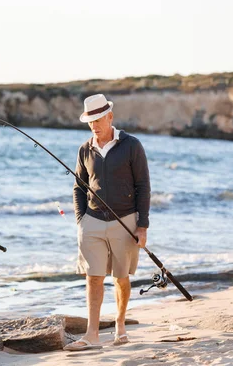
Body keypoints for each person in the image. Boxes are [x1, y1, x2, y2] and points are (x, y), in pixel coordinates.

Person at [65, 94, 150, 350]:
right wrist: (81, 219)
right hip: (91, 220)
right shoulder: (84, 149)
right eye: (90, 121)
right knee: (93, 277)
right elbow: (79, 187)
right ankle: (92, 334)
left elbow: (143, 186)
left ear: (110, 117)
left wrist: (142, 225)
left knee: (121, 277)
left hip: (125, 220)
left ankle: (120, 325)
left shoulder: (131, 145)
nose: (95, 125)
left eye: (98, 119)